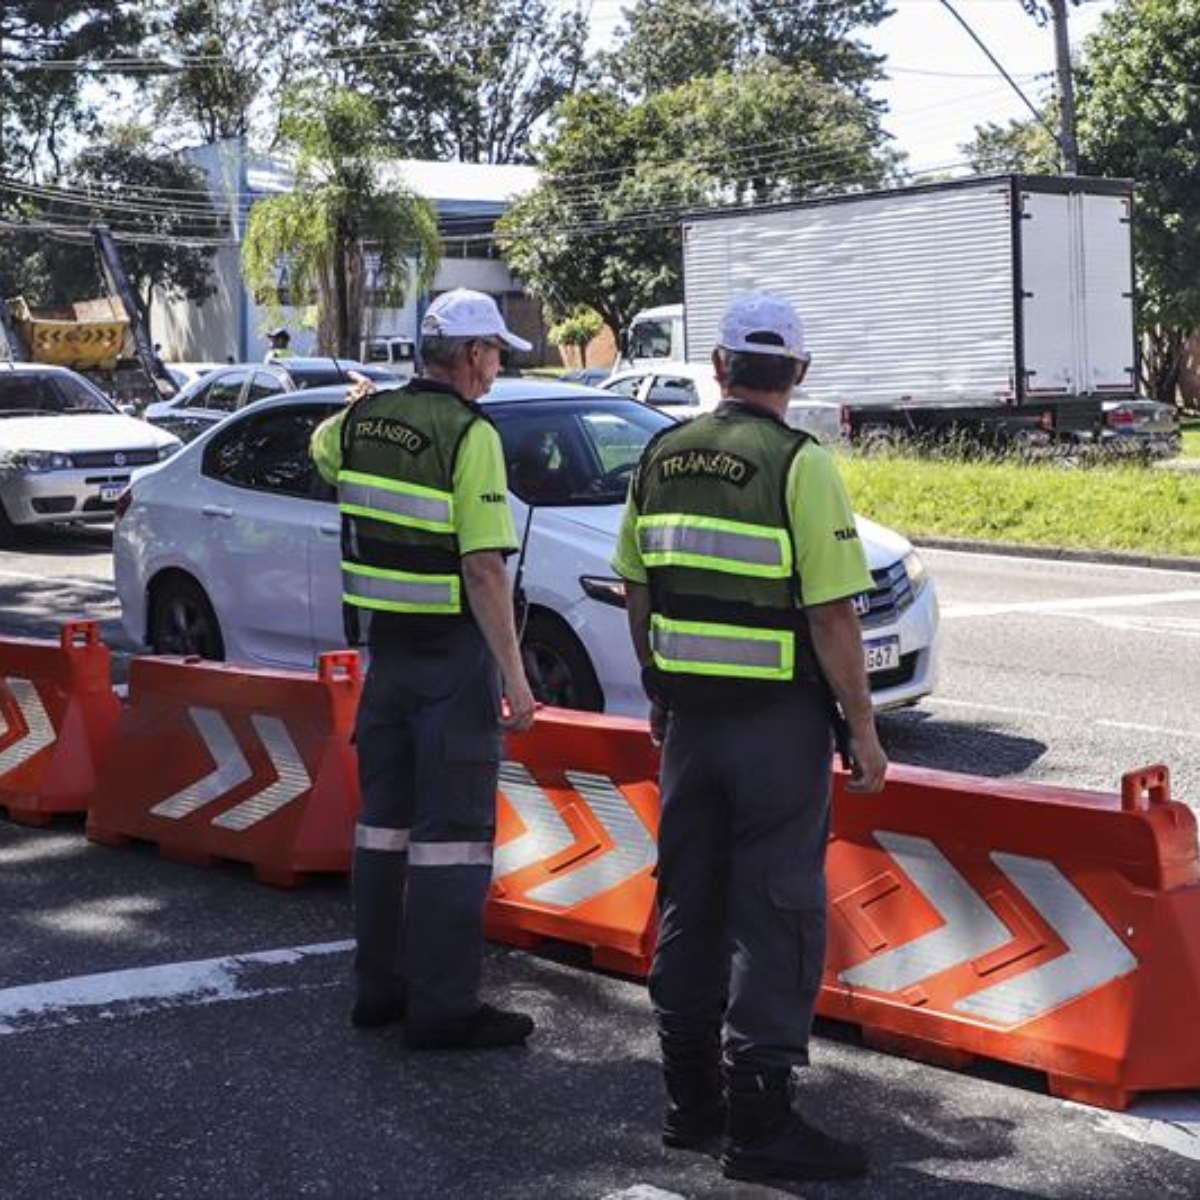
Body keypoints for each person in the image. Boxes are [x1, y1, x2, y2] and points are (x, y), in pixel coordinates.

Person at [611, 292, 888, 1184]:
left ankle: (690, 1106)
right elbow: (834, 613)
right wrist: (864, 726)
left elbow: (639, 586)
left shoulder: (658, 454)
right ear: (797, 373)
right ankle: (762, 1124)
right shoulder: (799, 464)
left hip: (691, 725)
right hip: (777, 728)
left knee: (690, 899)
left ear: (722, 367)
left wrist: (659, 686)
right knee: (776, 911)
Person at [310, 288, 539, 1051]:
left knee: (383, 827)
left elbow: (320, 448)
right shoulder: (470, 434)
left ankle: (378, 989)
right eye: (496, 352)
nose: (499, 365)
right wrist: (515, 674)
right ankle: (443, 1007)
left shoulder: (360, 422)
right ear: (471, 356)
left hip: (389, 658)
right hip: (452, 661)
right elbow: (483, 569)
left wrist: (359, 405)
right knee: (452, 838)